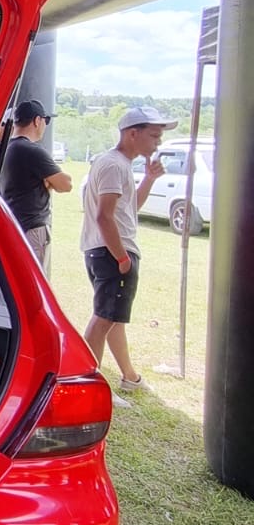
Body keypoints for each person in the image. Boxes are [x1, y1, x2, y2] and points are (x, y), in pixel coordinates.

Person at [80, 105, 175, 394]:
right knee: (104, 318)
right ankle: (87, 383)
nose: (158, 143)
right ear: (133, 134)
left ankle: (129, 377)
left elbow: (130, 209)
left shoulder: (116, 163)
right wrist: (122, 257)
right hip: (112, 252)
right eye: (154, 136)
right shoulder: (114, 165)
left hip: (104, 250)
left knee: (112, 317)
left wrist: (149, 178)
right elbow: (104, 216)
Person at [0, 98, 72, 273]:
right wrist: (48, 181)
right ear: (37, 120)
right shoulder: (32, 150)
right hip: (32, 229)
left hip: (13, 227)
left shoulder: (6, 149)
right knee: (33, 279)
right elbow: (66, 184)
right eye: (46, 120)